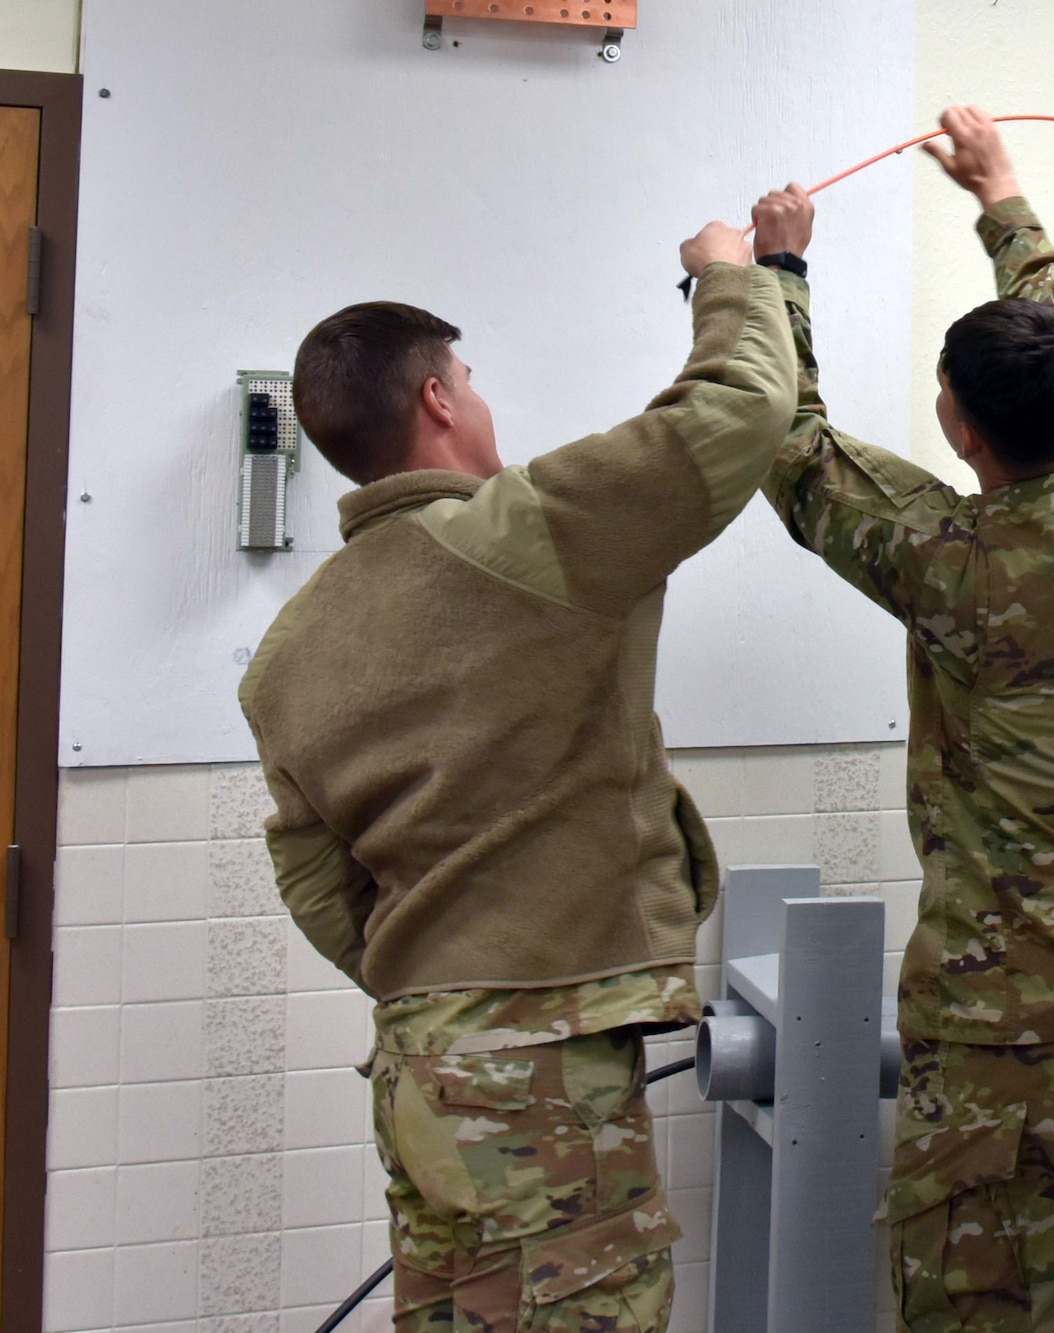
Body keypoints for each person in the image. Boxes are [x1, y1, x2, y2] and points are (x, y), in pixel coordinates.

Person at [237, 224, 795, 1329]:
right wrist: (734, 273)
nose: (482, 404)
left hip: (417, 1066)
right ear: (439, 400)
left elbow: (315, 884)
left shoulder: (287, 651)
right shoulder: (522, 535)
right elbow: (736, 414)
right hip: (537, 1077)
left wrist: (446, 978)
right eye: (471, 381)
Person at [749, 105, 1054, 1333]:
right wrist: (999, 192)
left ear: (956, 421)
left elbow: (788, 449)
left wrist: (769, 276)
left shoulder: (951, 562)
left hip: (1007, 1028)